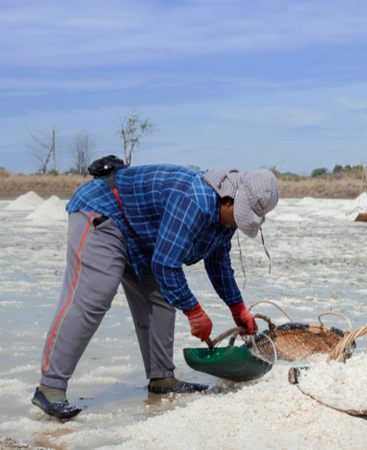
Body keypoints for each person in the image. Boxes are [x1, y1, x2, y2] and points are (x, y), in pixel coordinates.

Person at [33, 161, 277, 419]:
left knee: (160, 297)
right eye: (238, 217)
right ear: (229, 200)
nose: (235, 225)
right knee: (94, 296)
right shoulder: (193, 200)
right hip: (104, 209)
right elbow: (165, 264)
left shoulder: (225, 221)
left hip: (141, 236)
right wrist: (194, 311)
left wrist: (237, 308)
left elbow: (218, 263)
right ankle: (51, 386)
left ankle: (162, 378)